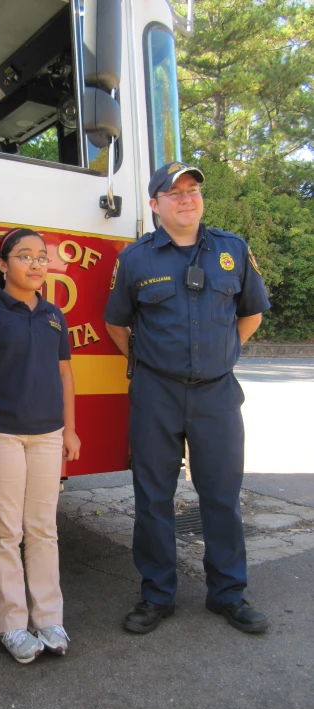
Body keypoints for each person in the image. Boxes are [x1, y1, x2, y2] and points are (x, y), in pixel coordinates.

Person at [104, 162, 271, 636]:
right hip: (156, 392)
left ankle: (228, 594)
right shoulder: (135, 259)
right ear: (154, 204)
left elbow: (251, 314)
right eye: (173, 192)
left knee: (221, 496)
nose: (186, 199)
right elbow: (117, 323)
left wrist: (222, 356)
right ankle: (157, 595)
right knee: (153, 496)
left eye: (193, 190)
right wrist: (148, 363)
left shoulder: (231, 250)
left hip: (217, 393)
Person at [0, 228, 81, 664]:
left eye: (42, 257)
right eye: (24, 256)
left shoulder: (53, 314)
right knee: (5, 532)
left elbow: (65, 374)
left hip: (47, 434)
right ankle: (10, 623)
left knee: (44, 527)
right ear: (2, 266)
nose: (36, 263)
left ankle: (49, 617)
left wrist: (70, 430)